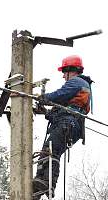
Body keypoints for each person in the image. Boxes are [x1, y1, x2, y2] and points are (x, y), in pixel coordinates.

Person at [33, 55, 93, 199]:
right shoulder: (76, 90)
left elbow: (59, 95)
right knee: (47, 152)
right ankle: (37, 186)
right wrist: (46, 112)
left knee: (50, 150)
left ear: (70, 70)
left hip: (69, 124)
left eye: (64, 73)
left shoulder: (77, 82)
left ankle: (47, 183)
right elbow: (61, 109)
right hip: (68, 124)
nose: (64, 77)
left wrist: (44, 98)